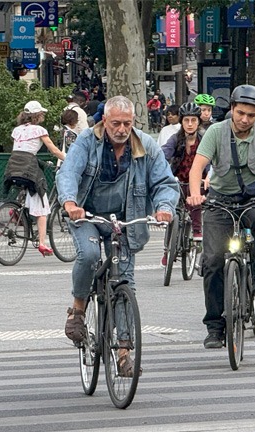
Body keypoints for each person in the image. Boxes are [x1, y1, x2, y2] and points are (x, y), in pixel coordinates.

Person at [56, 95, 178, 371]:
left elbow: (164, 182)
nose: (121, 129)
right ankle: (77, 309)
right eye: (115, 123)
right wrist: (70, 203)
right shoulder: (87, 141)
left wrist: (164, 207)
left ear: (133, 122)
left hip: (124, 220)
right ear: (104, 121)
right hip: (87, 215)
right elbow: (68, 173)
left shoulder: (146, 146)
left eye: (126, 123)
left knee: (125, 281)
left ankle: (124, 352)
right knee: (88, 255)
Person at [186, 84, 255, 350]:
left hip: (253, 197)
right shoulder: (216, 132)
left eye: (251, 115)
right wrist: (196, 194)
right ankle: (214, 326)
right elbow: (198, 165)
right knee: (212, 261)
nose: (245, 119)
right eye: (240, 113)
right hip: (219, 200)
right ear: (231, 109)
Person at [3, 100, 66, 256]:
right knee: (42, 208)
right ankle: (43, 243)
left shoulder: (17, 130)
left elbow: (22, 150)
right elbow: (53, 150)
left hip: (13, 167)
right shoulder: (39, 130)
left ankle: (19, 210)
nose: (43, 115)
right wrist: (68, 159)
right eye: (42, 113)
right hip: (29, 169)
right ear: (37, 115)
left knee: (25, 186)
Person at [162, 102, 207, 243]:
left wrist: (209, 177)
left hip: (200, 182)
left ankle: (197, 230)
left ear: (198, 122)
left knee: (196, 202)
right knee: (172, 212)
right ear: (181, 122)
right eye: (186, 120)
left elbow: (213, 161)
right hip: (178, 180)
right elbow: (163, 155)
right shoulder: (175, 139)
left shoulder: (204, 139)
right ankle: (167, 249)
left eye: (193, 120)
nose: (190, 124)